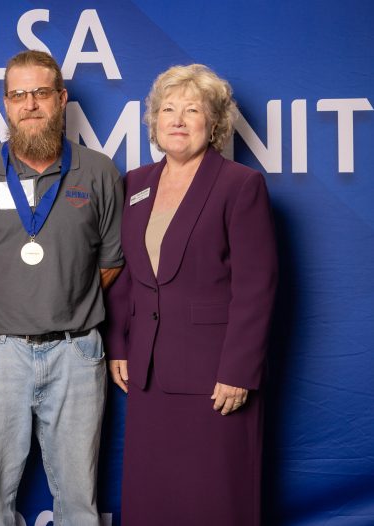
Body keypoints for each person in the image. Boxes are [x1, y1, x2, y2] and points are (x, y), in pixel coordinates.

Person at [0, 50, 124, 526]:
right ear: (5, 104)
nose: (30, 104)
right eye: (18, 95)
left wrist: (63, 296)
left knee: (79, 504)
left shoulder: (99, 172)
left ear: (61, 99)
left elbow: (111, 262)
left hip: (76, 353)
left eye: (41, 93)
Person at [107, 64, 278, 525]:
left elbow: (255, 288)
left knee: (215, 498)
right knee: (153, 499)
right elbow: (126, 274)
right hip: (149, 372)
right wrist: (119, 345)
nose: (177, 119)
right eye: (168, 109)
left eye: (192, 110)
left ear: (215, 123)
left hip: (214, 376)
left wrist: (239, 371)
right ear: (155, 122)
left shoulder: (240, 185)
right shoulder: (135, 184)